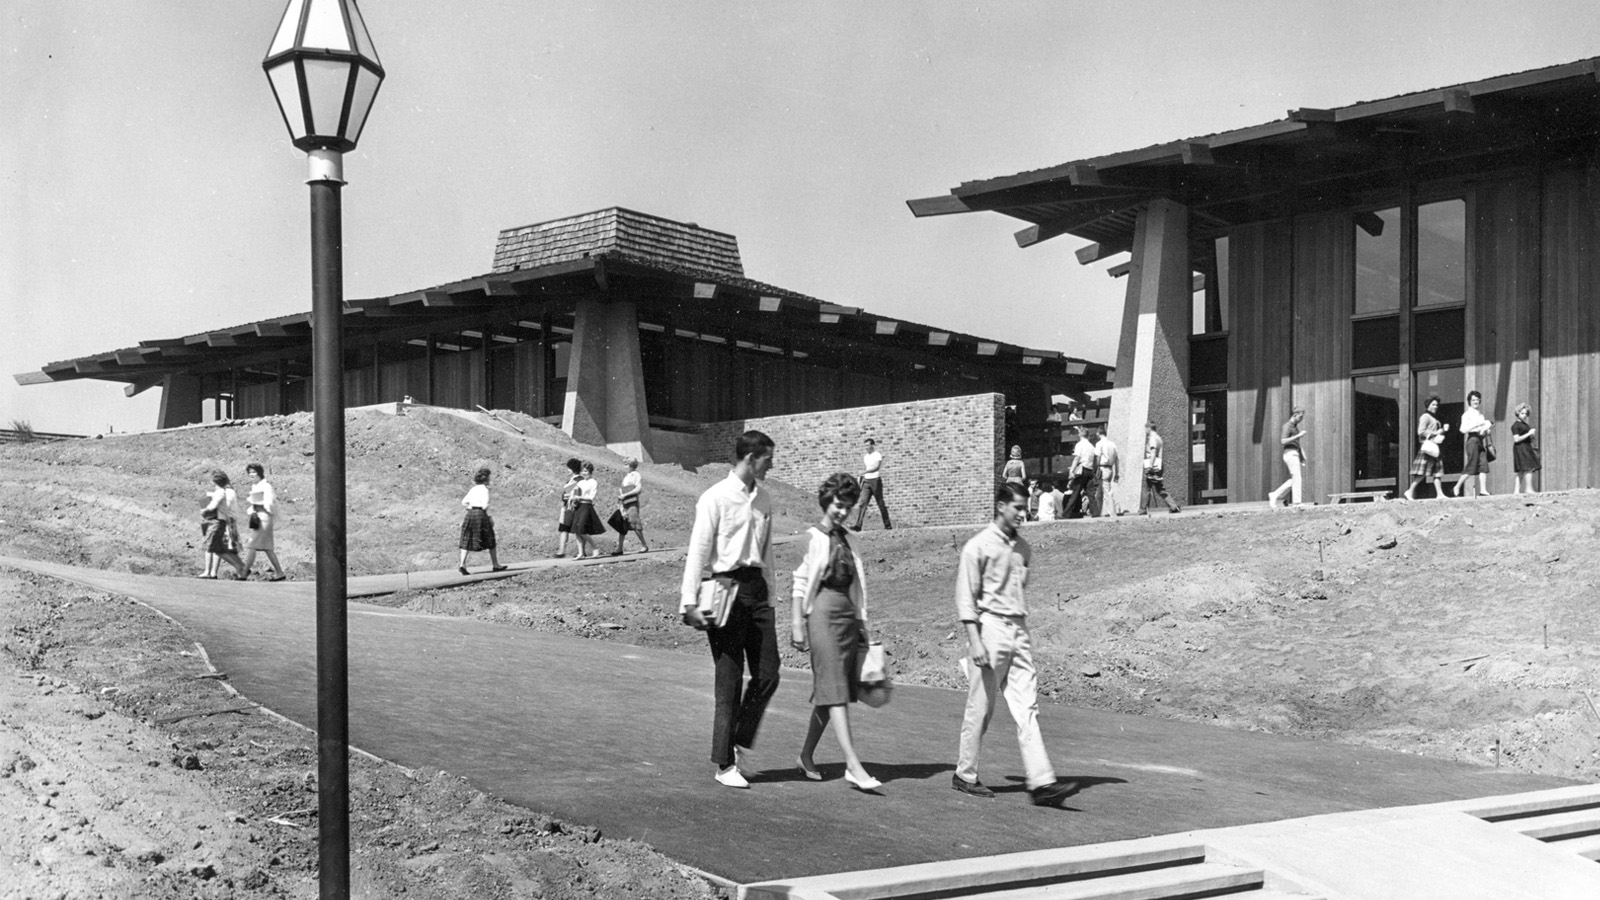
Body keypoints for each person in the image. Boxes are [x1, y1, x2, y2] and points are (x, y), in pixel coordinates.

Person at [951, 484, 1072, 807]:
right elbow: (966, 599)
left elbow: (1020, 585)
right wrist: (975, 641)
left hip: (1019, 630)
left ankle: (1042, 782)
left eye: (1026, 507)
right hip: (989, 628)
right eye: (1017, 507)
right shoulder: (977, 547)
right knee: (982, 706)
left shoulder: (1024, 549)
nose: (1023, 513)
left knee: (1027, 707)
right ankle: (965, 774)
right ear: (1001, 506)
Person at [680, 431, 780, 789]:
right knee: (730, 679)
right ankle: (724, 764)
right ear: (751, 458)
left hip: (757, 590)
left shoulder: (764, 498)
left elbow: (766, 551)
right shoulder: (715, 498)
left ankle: (735, 738)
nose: (771, 464)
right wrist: (688, 602)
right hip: (723, 590)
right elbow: (697, 551)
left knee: (769, 674)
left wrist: (771, 594)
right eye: (767, 458)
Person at [790, 473, 881, 791]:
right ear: (827, 501)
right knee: (836, 692)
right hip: (821, 615)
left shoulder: (851, 539)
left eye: (848, 506)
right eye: (839, 505)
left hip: (846, 618)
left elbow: (859, 587)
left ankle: (805, 755)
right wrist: (796, 623)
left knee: (831, 693)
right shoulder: (811, 537)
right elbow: (800, 583)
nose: (843, 511)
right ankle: (853, 766)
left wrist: (861, 624)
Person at [240, 463, 287, 581]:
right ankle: (280, 572)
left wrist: (258, 503)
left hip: (264, 518)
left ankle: (244, 572)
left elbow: (270, 503)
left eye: (254, 472)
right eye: (250, 472)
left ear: (259, 473)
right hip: (258, 518)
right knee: (267, 548)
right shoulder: (255, 486)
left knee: (252, 545)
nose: (251, 475)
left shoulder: (266, 486)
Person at [457, 467, 507, 576]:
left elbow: (463, 502)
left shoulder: (473, 489)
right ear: (486, 479)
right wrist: (488, 517)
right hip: (480, 514)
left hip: (470, 514)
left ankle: (462, 564)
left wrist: (470, 507)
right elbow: (484, 506)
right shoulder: (485, 490)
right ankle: (495, 565)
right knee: (490, 539)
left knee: (467, 538)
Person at [199, 470, 246, 580]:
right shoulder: (225, 491)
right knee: (217, 548)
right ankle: (213, 572)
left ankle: (239, 568)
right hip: (221, 520)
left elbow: (225, 508)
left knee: (216, 548)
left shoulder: (226, 492)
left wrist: (207, 510)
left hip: (223, 521)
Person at [1403, 395, 1449, 501]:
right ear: (1428, 405)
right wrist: (1436, 432)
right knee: (1423, 472)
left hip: (1435, 447)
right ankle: (1410, 491)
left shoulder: (1434, 417)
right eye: (1433, 404)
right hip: (1429, 448)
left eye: (1437, 405)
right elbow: (1420, 431)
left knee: (1437, 472)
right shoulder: (1425, 416)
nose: (1435, 406)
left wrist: (1442, 431)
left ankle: (1440, 494)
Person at [1268, 407, 1307, 508]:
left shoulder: (1295, 427)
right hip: (1290, 453)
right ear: (1295, 415)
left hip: (1294, 453)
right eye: (1300, 416)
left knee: (1295, 478)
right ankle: (1297, 502)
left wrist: (1302, 456)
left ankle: (1275, 494)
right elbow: (1283, 441)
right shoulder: (1287, 426)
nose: (1301, 419)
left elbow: (1296, 443)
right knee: (1297, 477)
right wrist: (1298, 435)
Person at [849, 438, 891, 531]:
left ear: (872, 445)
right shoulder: (865, 457)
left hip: (875, 480)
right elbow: (867, 468)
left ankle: (887, 525)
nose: (866, 447)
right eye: (865, 446)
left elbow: (876, 468)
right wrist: (863, 475)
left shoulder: (877, 455)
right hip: (866, 481)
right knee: (862, 503)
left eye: (868, 445)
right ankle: (858, 525)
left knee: (880, 503)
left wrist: (865, 471)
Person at [611, 457, 651, 555]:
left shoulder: (636, 475)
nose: (625, 466)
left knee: (634, 523)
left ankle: (644, 545)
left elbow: (638, 489)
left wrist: (625, 495)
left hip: (631, 502)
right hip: (625, 502)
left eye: (626, 464)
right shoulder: (627, 476)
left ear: (631, 465)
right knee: (623, 524)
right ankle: (620, 548)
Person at [1458, 390, 1493, 498]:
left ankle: (1483, 490)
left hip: (1479, 440)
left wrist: (1487, 430)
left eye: (1477, 399)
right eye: (1473, 400)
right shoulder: (1467, 414)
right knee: (1472, 465)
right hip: (1472, 440)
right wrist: (1477, 425)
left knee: (1483, 465)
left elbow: (1481, 431)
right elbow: (1462, 429)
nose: (1476, 401)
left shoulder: (1480, 415)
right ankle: (1457, 486)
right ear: (1469, 401)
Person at [1140, 423, 1181, 514]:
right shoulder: (1159, 438)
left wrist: (1150, 466)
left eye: (1145, 429)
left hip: (1153, 466)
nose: (1145, 431)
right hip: (1159, 466)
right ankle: (1173, 506)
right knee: (1160, 488)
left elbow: (1153, 452)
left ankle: (1143, 509)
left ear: (1149, 428)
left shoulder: (1152, 439)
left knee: (1146, 488)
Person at [568, 461, 606, 558]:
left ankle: (595, 547)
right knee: (576, 530)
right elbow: (571, 491)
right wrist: (573, 498)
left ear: (590, 471)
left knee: (582, 530)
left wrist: (579, 498)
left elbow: (591, 497)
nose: (584, 473)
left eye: (586, 471)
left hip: (586, 506)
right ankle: (581, 553)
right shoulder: (580, 482)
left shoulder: (593, 482)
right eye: (582, 471)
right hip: (578, 507)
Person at [1063, 427, 1098, 519]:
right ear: (1088, 436)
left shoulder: (1079, 445)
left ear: (1080, 435)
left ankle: (1066, 514)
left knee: (1075, 493)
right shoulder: (1091, 446)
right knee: (1091, 494)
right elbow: (1094, 460)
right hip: (1090, 470)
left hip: (1082, 470)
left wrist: (1072, 470)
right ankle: (1095, 513)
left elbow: (1077, 458)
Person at [554, 457, 582, 558]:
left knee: (566, 528)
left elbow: (566, 494)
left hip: (571, 507)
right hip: (573, 506)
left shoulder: (575, 481)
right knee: (575, 530)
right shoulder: (579, 480)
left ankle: (562, 550)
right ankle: (579, 550)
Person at [1511, 401, 1540, 495]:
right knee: (1528, 468)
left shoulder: (1525, 425)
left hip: (1526, 446)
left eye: (1526, 413)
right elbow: (1516, 439)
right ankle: (1528, 489)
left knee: (1523, 469)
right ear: (1518, 413)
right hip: (1521, 448)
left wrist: (1531, 435)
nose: (1524, 415)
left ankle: (1516, 491)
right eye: (1522, 413)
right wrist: (1529, 433)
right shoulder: (1516, 425)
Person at [1094, 429, 1123, 517]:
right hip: (1110, 468)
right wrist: (1117, 472)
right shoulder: (1113, 444)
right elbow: (1117, 460)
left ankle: (1112, 513)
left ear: (1098, 433)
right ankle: (1097, 512)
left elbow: (1098, 457)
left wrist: (1097, 467)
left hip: (1103, 467)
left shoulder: (1099, 444)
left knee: (1107, 492)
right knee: (1099, 492)